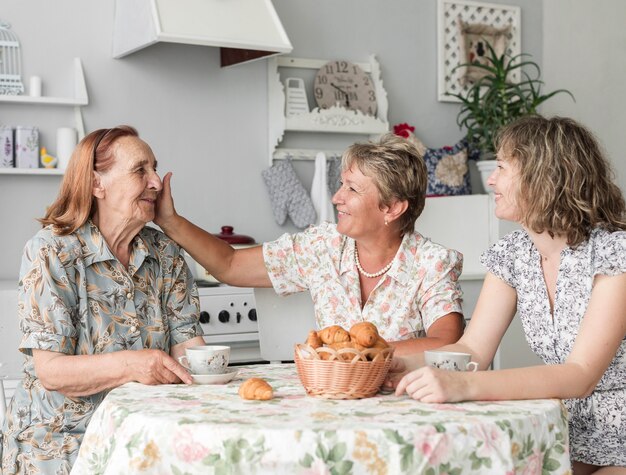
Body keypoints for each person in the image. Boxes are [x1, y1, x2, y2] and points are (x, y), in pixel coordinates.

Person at [390, 116, 626, 474]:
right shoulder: (513, 253)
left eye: (501, 166)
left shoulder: (614, 252)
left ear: (545, 175)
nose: (491, 179)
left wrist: (463, 384)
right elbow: (472, 351)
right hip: (560, 431)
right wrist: (391, 365)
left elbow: (580, 375)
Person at [1, 126, 205, 474]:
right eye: (141, 170)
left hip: (144, 436)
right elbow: (50, 371)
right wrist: (135, 365)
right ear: (98, 184)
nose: (156, 181)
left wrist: (212, 372)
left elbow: (189, 349)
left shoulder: (165, 254)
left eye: (155, 168)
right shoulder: (52, 252)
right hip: (62, 443)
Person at [155, 133, 465, 355]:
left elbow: (447, 343)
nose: (336, 197)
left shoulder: (431, 262)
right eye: (341, 184)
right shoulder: (323, 245)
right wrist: (170, 220)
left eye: (352, 189)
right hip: (331, 400)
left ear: (392, 208)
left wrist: (362, 355)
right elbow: (230, 265)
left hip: (402, 407)